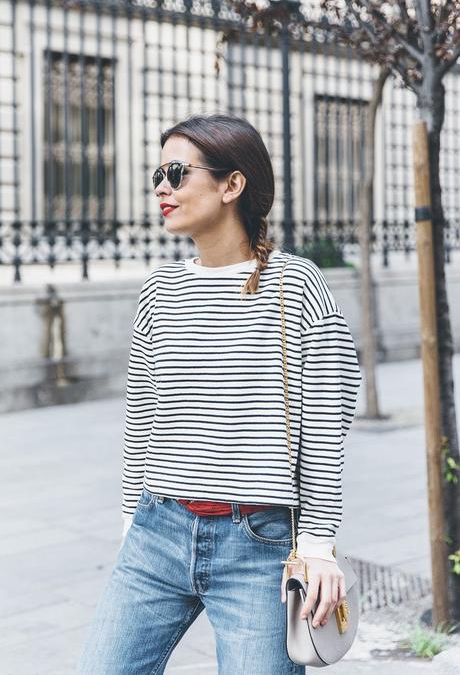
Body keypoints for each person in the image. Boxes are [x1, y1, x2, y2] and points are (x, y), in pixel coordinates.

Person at [75, 113, 362, 675]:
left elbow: (327, 425)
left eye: (178, 172)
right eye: (159, 173)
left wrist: (318, 545)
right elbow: (143, 419)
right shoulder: (159, 290)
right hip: (157, 535)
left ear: (233, 185)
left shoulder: (297, 286)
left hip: (257, 547)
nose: (162, 186)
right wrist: (132, 523)